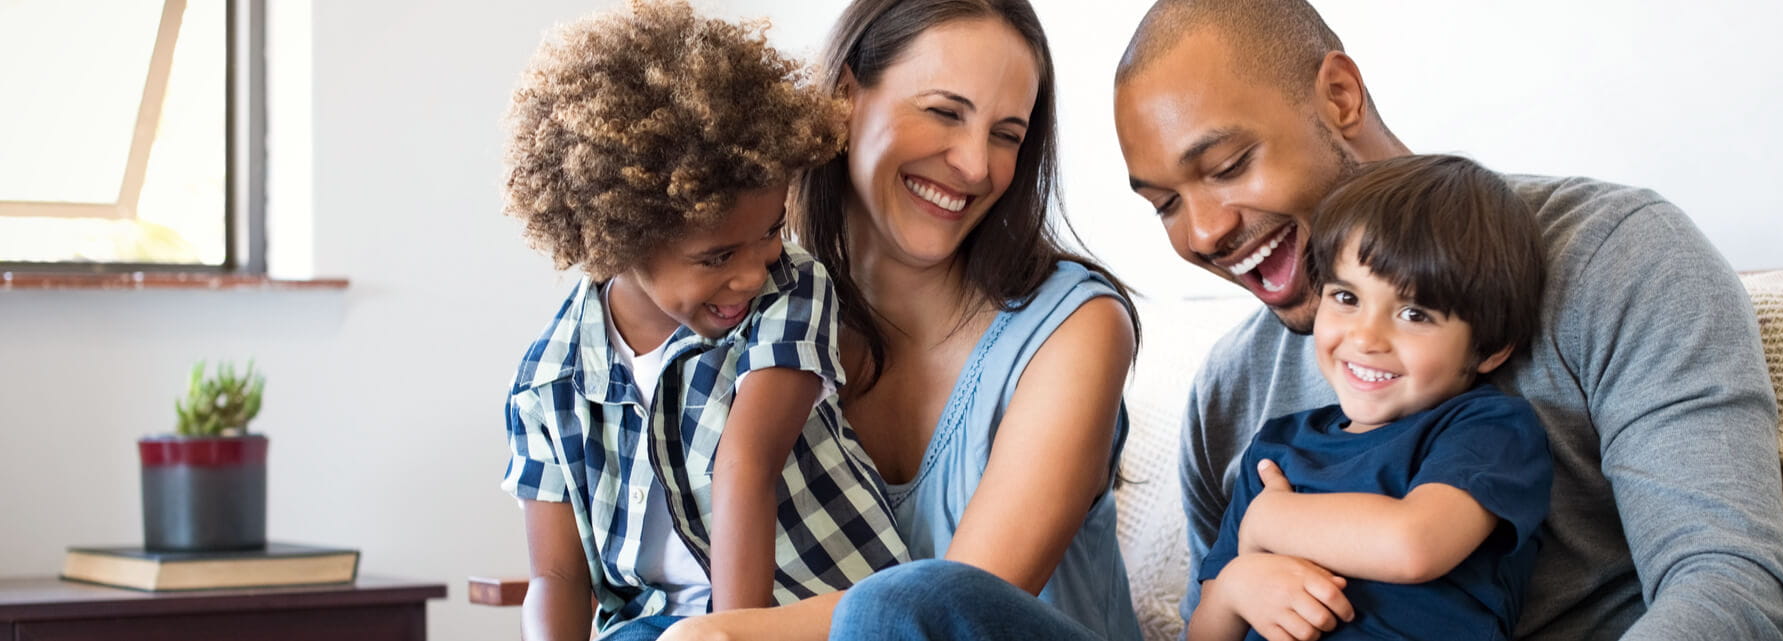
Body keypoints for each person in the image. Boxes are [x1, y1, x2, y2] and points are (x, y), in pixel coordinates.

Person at [1112, 1, 1783, 639]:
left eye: (1229, 165)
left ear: (1339, 96)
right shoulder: (1229, 393)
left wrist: (1273, 520)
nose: (1203, 232)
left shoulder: (1615, 257)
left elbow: (1725, 584)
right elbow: (1218, 610)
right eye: (1165, 204)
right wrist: (1235, 582)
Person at [657, 1, 1143, 640]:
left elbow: (946, 609)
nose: (975, 165)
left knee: (891, 607)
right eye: (944, 111)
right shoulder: (755, 305)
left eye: (1006, 134)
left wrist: (726, 633)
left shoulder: (1077, 328)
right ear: (845, 96)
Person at [496, 2, 908, 639]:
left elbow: (745, 465)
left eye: (771, 230)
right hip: (652, 624)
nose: (751, 272)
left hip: (812, 611)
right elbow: (558, 579)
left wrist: (730, 635)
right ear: (620, 243)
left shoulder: (791, 291)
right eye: (717, 256)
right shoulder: (549, 381)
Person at [1189, 154, 1553, 641]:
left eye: (1415, 314)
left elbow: (1414, 545)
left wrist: (1269, 521)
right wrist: (1235, 586)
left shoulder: (1488, 428)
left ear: (1488, 348)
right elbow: (1204, 632)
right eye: (1346, 298)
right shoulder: (1274, 452)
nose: (1366, 337)